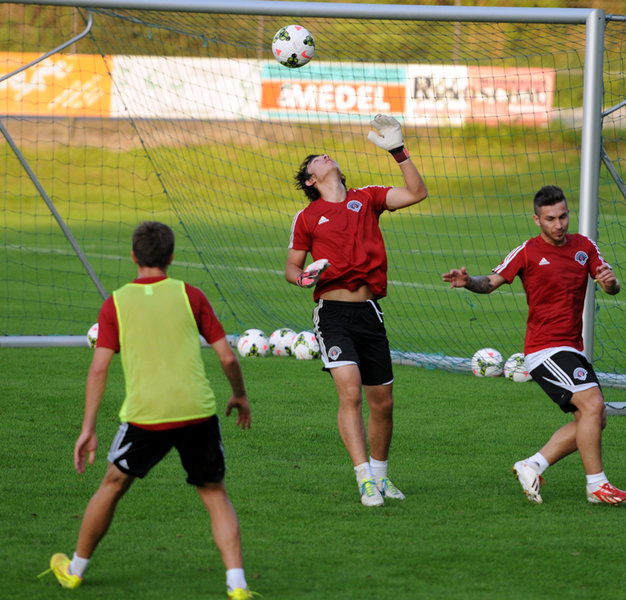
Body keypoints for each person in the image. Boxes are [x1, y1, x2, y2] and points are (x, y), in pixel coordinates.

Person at [43, 221, 255, 599]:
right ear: (171, 256)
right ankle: (237, 585)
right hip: (196, 412)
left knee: (112, 485)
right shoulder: (191, 295)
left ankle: (74, 571)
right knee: (215, 494)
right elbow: (227, 357)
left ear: (133, 256)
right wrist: (239, 394)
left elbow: (99, 368)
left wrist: (88, 428)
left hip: (146, 416)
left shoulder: (115, 303)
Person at [441, 185, 626, 506]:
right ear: (537, 219)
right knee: (593, 406)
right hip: (545, 350)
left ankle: (533, 465)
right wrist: (467, 282)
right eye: (550, 219)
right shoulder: (527, 251)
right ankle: (597, 486)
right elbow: (490, 283)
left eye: (563, 216)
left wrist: (611, 283)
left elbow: (609, 284)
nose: (559, 224)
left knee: (594, 418)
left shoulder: (584, 247)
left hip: (573, 349)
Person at [285, 114, 427, 507]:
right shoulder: (307, 217)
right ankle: (363, 477)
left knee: (383, 401)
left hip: (369, 313)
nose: (324, 156)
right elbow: (292, 268)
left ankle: (381, 477)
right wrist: (304, 279)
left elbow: (417, 193)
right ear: (310, 181)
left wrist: (398, 152)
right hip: (332, 315)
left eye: (326, 155)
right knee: (350, 392)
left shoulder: (367, 198)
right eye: (316, 160)